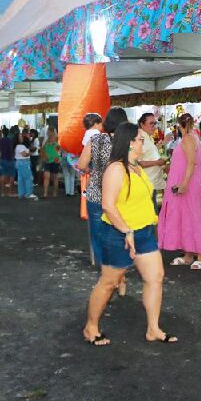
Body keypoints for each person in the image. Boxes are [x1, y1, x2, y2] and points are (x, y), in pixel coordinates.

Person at [83, 122, 176, 346]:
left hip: (143, 232)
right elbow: (107, 205)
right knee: (108, 282)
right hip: (118, 234)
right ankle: (91, 327)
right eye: (140, 138)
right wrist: (126, 230)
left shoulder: (135, 165)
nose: (143, 141)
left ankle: (153, 329)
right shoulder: (116, 168)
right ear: (130, 142)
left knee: (155, 277)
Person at [159, 114, 201, 269]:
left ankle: (200, 256)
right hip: (185, 183)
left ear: (179, 125)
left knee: (193, 217)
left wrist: (183, 184)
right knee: (185, 217)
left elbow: (192, 163)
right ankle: (189, 254)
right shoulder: (191, 138)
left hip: (187, 185)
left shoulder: (188, 139)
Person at [78, 108, 128, 277]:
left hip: (96, 193)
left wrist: (93, 171)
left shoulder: (96, 139)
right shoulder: (127, 142)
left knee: (98, 232)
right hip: (119, 194)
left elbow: (81, 164)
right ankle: (117, 265)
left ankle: (103, 266)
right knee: (119, 230)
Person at [136, 113, 167, 210]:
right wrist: (157, 163)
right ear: (142, 124)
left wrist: (162, 144)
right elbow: (138, 162)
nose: (154, 126)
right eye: (151, 124)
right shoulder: (140, 138)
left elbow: (148, 153)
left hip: (152, 183)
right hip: (146, 184)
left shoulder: (148, 136)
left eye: (155, 123)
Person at [15, 131, 37, 200]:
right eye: (20, 136)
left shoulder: (19, 146)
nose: (22, 137)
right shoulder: (20, 146)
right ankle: (28, 193)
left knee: (21, 179)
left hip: (20, 163)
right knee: (28, 178)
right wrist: (30, 152)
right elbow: (24, 155)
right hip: (24, 163)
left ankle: (22, 193)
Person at [0, 128, 17, 197]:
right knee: (11, 176)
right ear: (8, 133)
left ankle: (3, 192)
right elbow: (12, 150)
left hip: (2, 158)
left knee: (3, 175)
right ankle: (10, 192)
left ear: (2, 133)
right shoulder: (10, 140)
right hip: (10, 159)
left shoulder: (0, 140)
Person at [42, 129, 62, 198]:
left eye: (50, 132)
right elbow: (43, 150)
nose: (49, 134)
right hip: (47, 161)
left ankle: (54, 192)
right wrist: (44, 157)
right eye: (48, 133)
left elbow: (59, 153)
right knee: (46, 177)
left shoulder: (56, 143)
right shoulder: (46, 142)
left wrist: (59, 159)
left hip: (54, 161)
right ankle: (45, 193)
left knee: (55, 178)